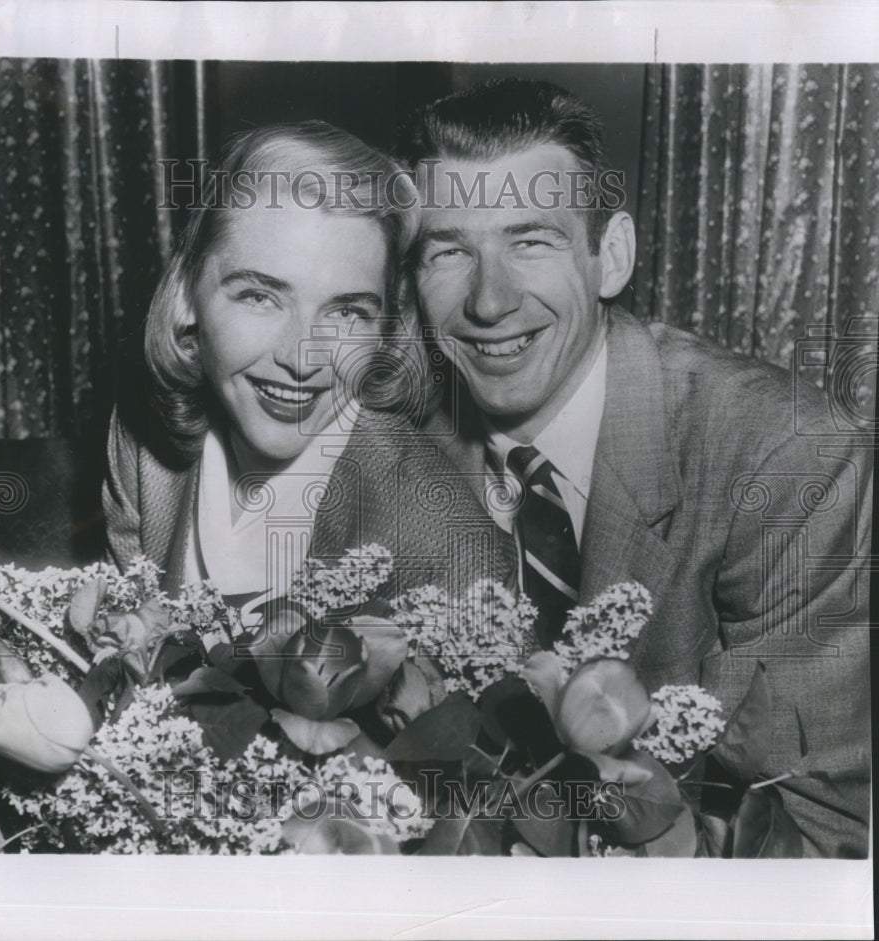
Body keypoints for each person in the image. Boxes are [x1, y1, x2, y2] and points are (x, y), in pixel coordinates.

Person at [400, 79, 871, 857]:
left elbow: (826, 839)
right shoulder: (402, 450)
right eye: (448, 251)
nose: (488, 301)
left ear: (609, 256)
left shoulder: (784, 460)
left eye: (532, 240)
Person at [103, 121, 511, 617]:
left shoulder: (446, 538)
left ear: (384, 328)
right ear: (188, 296)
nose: (301, 359)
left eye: (346, 312)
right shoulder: (142, 443)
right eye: (260, 297)